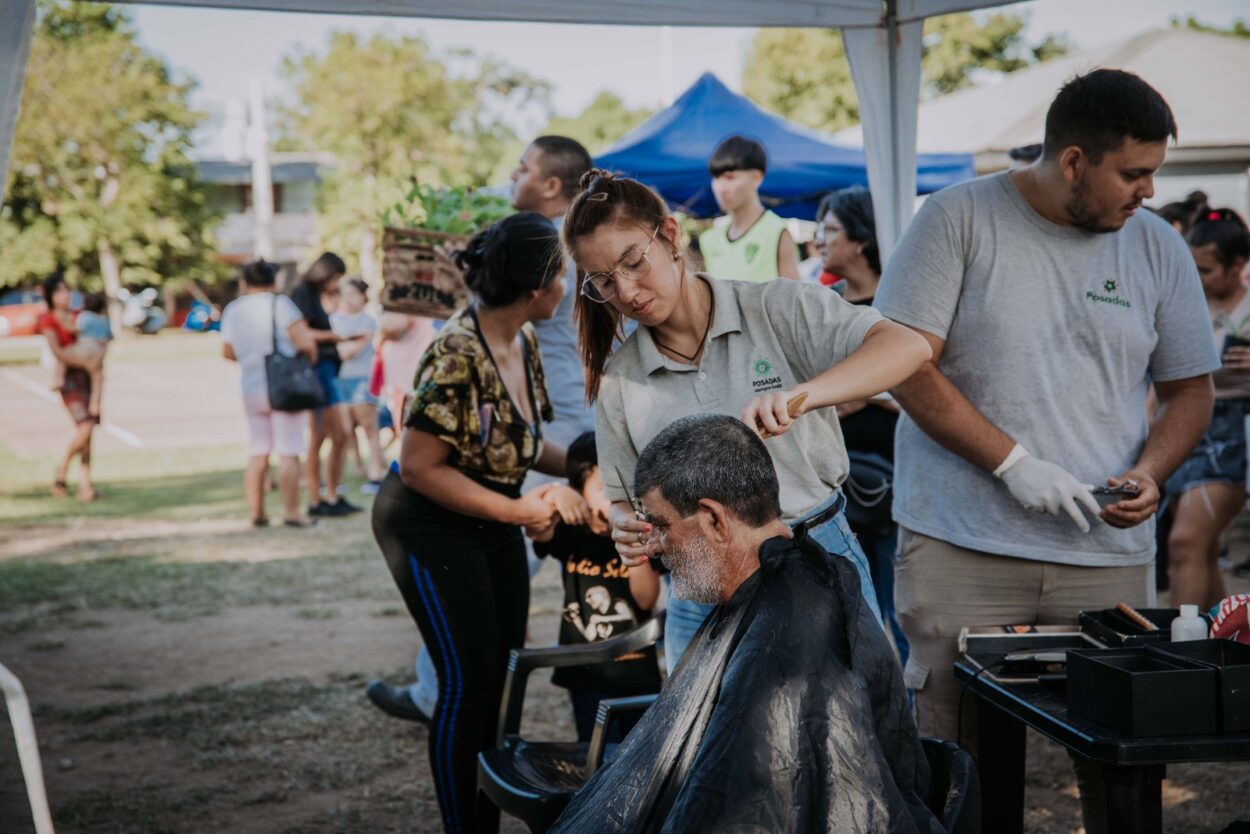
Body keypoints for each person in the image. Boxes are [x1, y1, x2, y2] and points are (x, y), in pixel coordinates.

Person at [874, 69, 1218, 832]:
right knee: (955, 767)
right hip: (961, 546)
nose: (1149, 193)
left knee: (1117, 768)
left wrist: (1152, 473)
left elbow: (1191, 390)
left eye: (1154, 173)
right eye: (1133, 173)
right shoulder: (956, 219)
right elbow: (905, 364)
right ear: (1071, 161)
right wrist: (1011, 462)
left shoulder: (1157, 248)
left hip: (1106, 555)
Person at [562, 169, 931, 672]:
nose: (626, 291)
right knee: (708, 740)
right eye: (605, 281)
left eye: (633, 262)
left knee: (850, 723)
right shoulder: (622, 380)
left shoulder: (776, 308)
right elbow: (624, 499)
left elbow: (908, 346)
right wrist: (627, 526)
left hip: (815, 552)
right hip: (702, 584)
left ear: (669, 236)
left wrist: (805, 394)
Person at [549, 414, 944, 834]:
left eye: (662, 525)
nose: (655, 546)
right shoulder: (776, 592)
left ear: (714, 519)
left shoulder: (795, 634)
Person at [371, 212, 585, 834]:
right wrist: (524, 510)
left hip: (487, 516)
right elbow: (418, 466)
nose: (567, 288)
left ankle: (488, 811)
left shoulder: (522, 339)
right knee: (467, 682)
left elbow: (519, 444)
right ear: (535, 287)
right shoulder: (457, 350)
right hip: (427, 524)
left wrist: (585, 465)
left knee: (502, 671)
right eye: (563, 276)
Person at [816, 186, 908, 664]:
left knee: (900, 612)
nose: (820, 239)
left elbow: (920, 386)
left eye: (831, 229)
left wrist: (861, 388)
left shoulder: (901, 303)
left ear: (860, 237)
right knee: (849, 617)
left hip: (897, 483)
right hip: (838, 486)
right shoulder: (823, 304)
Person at [528, 431, 662, 742]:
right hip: (584, 670)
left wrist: (633, 547)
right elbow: (535, 530)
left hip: (635, 671)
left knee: (637, 753)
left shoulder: (642, 534)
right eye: (604, 489)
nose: (615, 498)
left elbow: (646, 600)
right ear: (578, 491)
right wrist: (554, 493)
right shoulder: (570, 533)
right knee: (593, 754)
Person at [1165, 208, 1250, 607]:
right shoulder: (1190, 304)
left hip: (1237, 431)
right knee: (1202, 547)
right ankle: (1223, 647)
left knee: (1186, 542)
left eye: (1207, 269)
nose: (1198, 279)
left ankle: (1184, 653)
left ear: (1238, 266)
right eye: (1193, 267)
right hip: (1190, 424)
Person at [219, 260, 318, 528]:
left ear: (244, 282)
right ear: (273, 281)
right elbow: (304, 342)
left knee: (258, 450)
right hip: (284, 386)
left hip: (251, 385)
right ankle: (291, 512)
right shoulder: (281, 305)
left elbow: (227, 351)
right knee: (289, 450)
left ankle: (257, 512)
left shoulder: (233, 309)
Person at [290, 252, 365, 517]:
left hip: (329, 369)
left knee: (338, 435)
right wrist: (333, 337)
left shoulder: (316, 296)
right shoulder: (301, 294)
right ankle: (318, 497)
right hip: (318, 371)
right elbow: (302, 333)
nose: (337, 283)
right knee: (325, 435)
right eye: (336, 277)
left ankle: (331, 494)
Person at [698, 135, 801, 283]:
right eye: (716, 178)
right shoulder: (709, 240)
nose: (721, 187)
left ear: (757, 178)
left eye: (730, 177)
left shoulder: (777, 232)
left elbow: (794, 299)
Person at [37, 273, 100, 501]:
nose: (65, 295)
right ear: (50, 295)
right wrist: (86, 361)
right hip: (70, 377)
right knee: (85, 427)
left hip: (90, 377)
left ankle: (86, 485)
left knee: (89, 431)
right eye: (59, 291)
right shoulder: (48, 320)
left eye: (67, 290)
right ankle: (61, 470)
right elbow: (58, 352)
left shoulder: (80, 317)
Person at [330, 278, 386, 491]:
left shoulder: (368, 320)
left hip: (363, 379)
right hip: (341, 380)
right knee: (344, 430)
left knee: (370, 428)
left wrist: (345, 343)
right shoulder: (334, 320)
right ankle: (351, 471)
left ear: (364, 297)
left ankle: (375, 474)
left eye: (354, 293)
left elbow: (348, 351)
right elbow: (342, 351)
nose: (349, 298)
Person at [50, 291, 112, 418]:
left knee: (62, 356)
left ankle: (59, 378)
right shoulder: (105, 320)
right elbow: (110, 336)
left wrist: (61, 322)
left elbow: (73, 329)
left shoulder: (85, 317)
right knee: (97, 380)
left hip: (85, 348)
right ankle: (95, 404)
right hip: (99, 354)